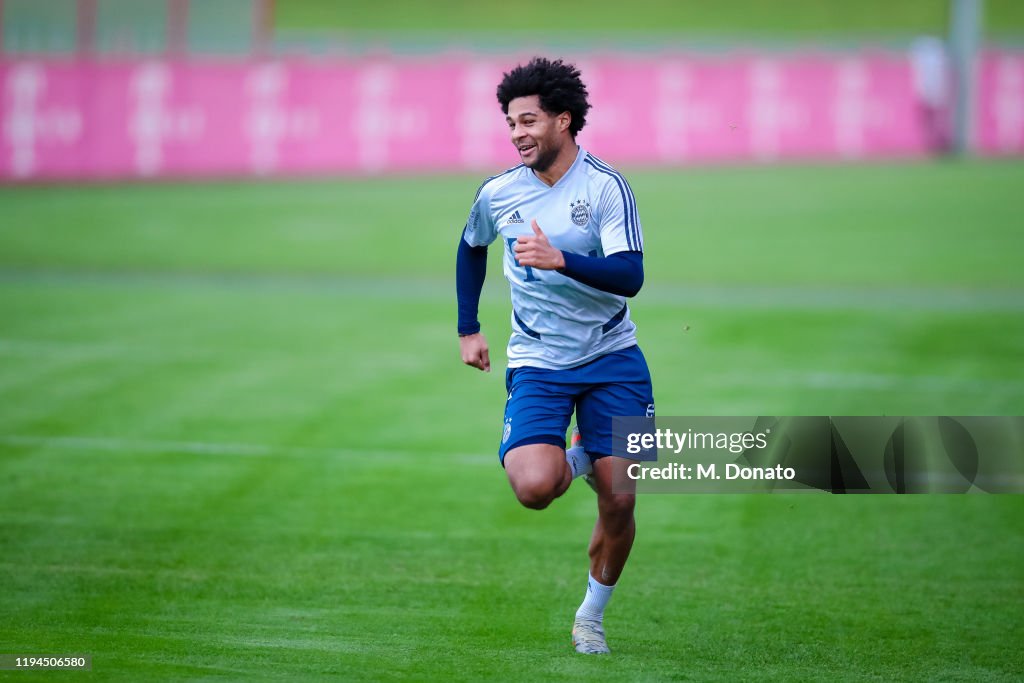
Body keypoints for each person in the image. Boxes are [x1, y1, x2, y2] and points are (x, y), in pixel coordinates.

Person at [455, 57, 654, 655]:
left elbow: (631, 275)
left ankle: (591, 616)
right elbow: (470, 248)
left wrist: (563, 259)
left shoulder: (605, 186)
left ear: (563, 121)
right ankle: (584, 456)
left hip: (613, 356)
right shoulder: (498, 193)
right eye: (511, 123)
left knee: (620, 499)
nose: (517, 133)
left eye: (528, 121)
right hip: (539, 362)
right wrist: (469, 328)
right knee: (536, 488)